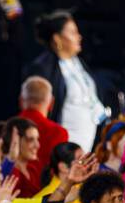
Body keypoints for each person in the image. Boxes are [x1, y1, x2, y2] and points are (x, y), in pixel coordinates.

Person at [23, 10, 110, 151]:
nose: (79, 37)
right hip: (63, 147)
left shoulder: (79, 64)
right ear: (57, 38)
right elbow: (37, 113)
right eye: (73, 32)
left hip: (89, 145)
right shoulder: (43, 68)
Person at [17, 76, 69, 179]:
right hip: (47, 193)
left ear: (21, 101)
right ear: (51, 103)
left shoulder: (7, 127)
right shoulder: (59, 133)